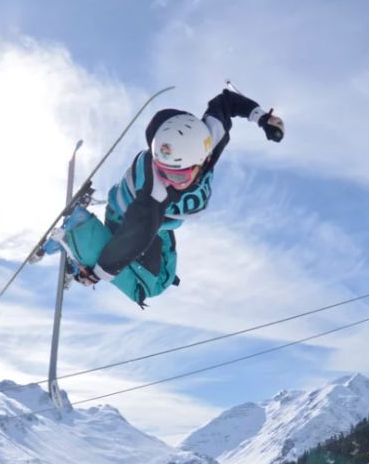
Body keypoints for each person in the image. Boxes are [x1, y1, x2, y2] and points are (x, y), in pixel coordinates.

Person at [56, 87, 284, 307]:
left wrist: (262, 118)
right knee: (148, 286)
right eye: (162, 168)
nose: (166, 178)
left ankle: (86, 243)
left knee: (165, 276)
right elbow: (133, 238)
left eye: (177, 174)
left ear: (202, 158)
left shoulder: (209, 138)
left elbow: (225, 103)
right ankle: (79, 231)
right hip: (127, 219)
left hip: (161, 225)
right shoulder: (155, 192)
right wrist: (99, 273)